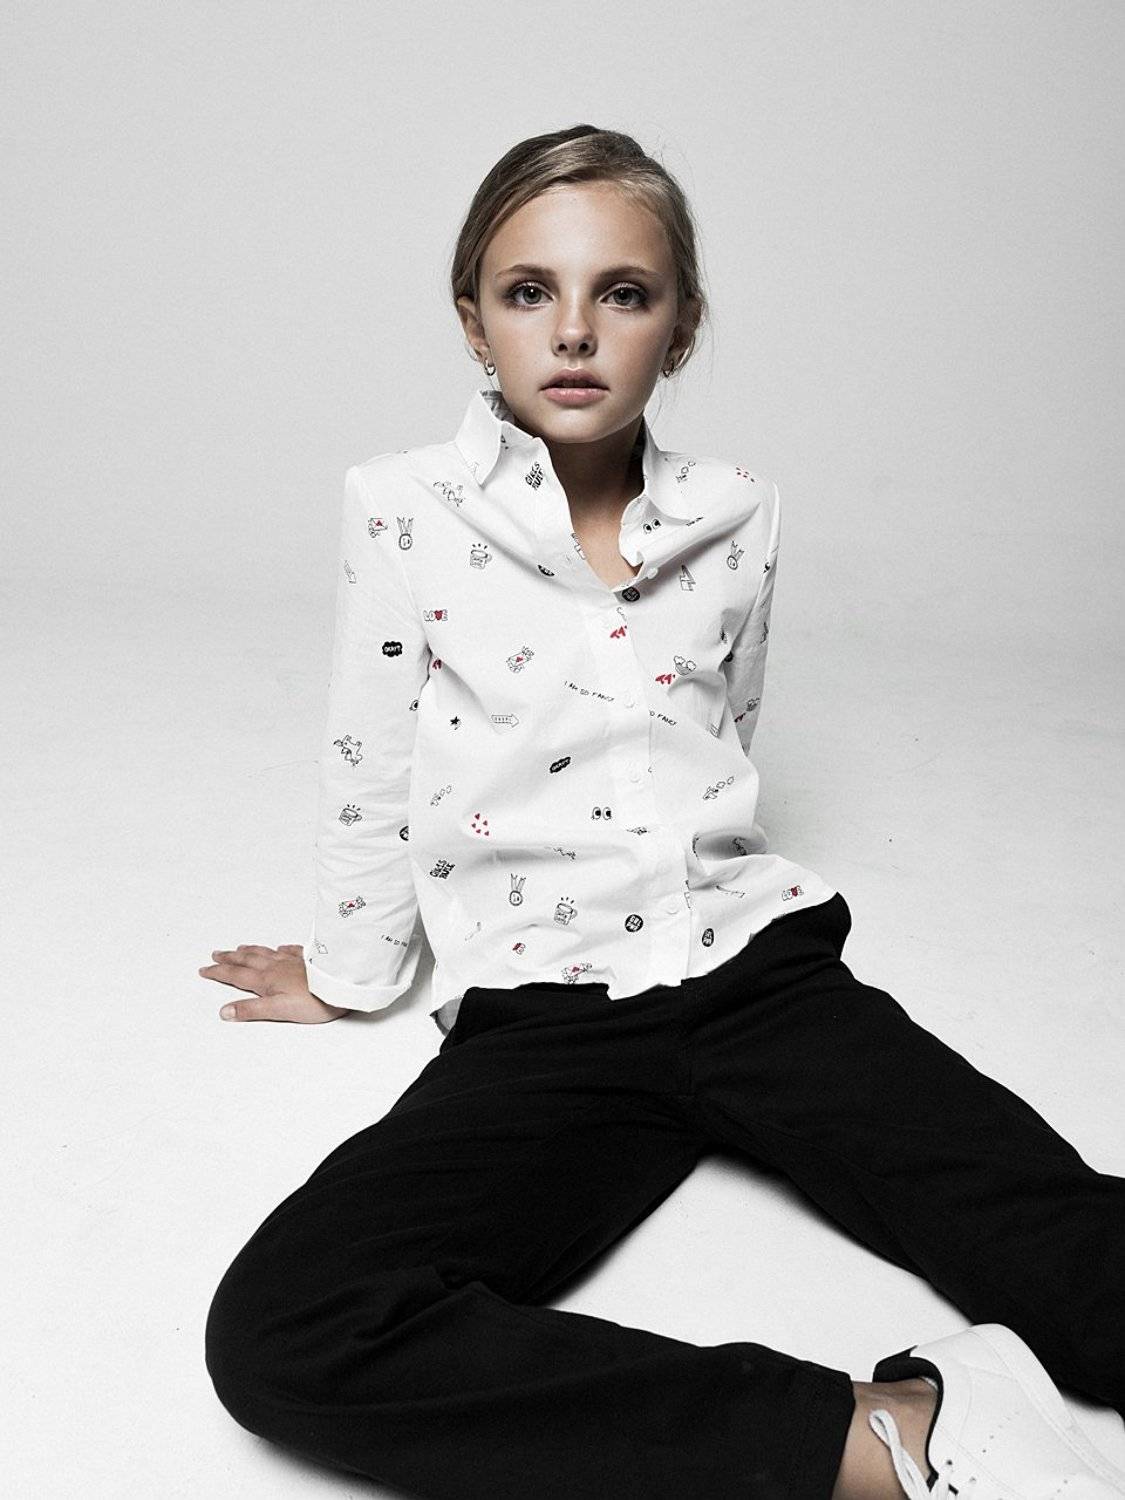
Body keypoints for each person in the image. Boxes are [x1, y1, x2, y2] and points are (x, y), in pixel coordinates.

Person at [199, 125, 1125, 1499]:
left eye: (621, 293)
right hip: (544, 1016)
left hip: (758, 977)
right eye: (529, 292)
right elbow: (373, 753)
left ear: (680, 326)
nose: (573, 330)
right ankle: (890, 1438)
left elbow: (722, 727)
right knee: (293, 1330)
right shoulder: (400, 508)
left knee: (1066, 1247)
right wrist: (351, 968)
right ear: (474, 321)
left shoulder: (738, 511)